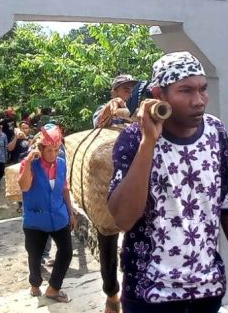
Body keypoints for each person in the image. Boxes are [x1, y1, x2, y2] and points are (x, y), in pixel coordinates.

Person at [107, 52, 228, 313]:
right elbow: (124, 218)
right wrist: (149, 142)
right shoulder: (133, 139)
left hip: (206, 290)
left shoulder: (216, 132)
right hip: (149, 296)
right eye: (186, 91)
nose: (199, 101)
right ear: (160, 95)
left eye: (203, 89)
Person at [90, 74, 138, 313]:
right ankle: (111, 293)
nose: (127, 93)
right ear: (114, 91)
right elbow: (98, 123)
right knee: (107, 235)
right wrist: (112, 109)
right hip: (104, 185)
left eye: (130, 90)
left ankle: (133, 288)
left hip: (130, 182)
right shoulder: (106, 108)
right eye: (124, 89)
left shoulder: (133, 118)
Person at [18, 124, 76, 303]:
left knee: (66, 252)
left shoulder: (61, 163)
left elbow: (64, 188)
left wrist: (70, 211)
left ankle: (53, 288)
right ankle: (35, 283)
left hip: (59, 216)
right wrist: (28, 162)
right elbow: (24, 186)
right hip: (36, 218)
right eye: (49, 150)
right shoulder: (30, 164)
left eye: (56, 150)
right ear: (40, 148)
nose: (53, 154)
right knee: (34, 254)